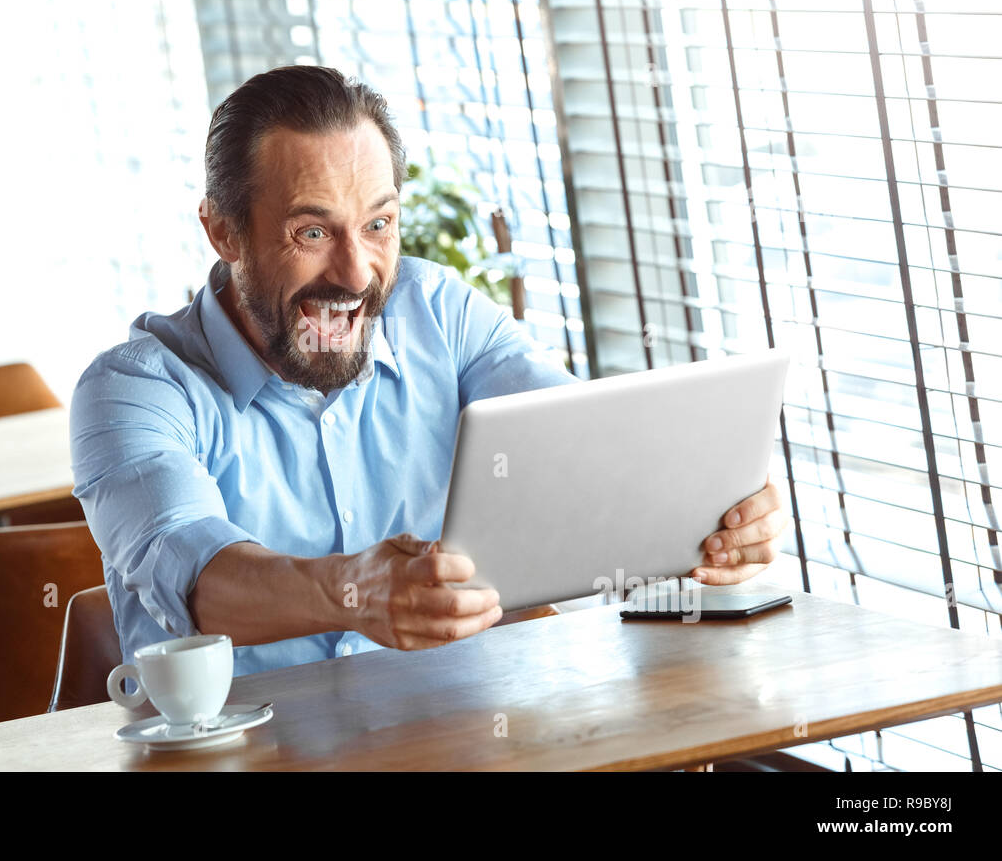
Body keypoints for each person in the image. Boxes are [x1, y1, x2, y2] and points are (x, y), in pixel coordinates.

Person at [70, 65, 788, 676]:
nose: (356, 274)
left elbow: (584, 447)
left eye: (379, 225)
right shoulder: (133, 390)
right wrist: (355, 589)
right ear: (224, 231)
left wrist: (704, 521)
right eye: (312, 232)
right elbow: (203, 583)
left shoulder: (436, 311)